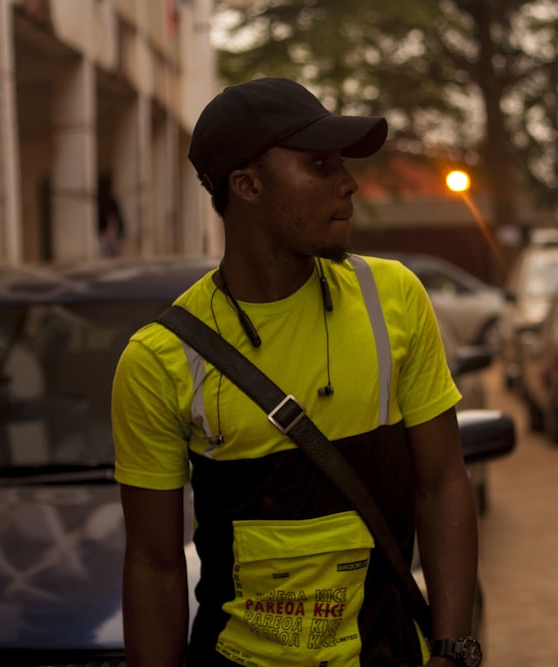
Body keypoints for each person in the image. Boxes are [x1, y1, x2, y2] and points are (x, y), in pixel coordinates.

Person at [111, 77, 481, 667]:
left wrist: (454, 649)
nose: (348, 183)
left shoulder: (394, 299)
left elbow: (441, 483)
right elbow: (154, 564)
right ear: (248, 185)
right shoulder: (160, 360)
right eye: (319, 165)